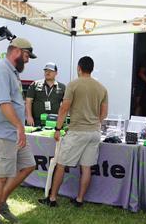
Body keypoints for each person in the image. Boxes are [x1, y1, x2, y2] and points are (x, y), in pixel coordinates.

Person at [39, 56, 108, 208]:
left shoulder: (73, 85)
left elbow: (64, 108)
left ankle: (52, 199)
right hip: (94, 132)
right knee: (86, 167)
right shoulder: (102, 88)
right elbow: (104, 113)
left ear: (79, 68)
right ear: (91, 69)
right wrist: (96, 123)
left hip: (77, 131)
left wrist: (58, 129)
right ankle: (79, 200)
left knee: (61, 165)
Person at [0, 37, 37, 224]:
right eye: (26, 55)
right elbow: (4, 104)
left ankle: (0, 202)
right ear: (16, 51)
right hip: (2, 133)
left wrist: (18, 128)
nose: (28, 60)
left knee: (29, 165)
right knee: (1, 176)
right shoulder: (1, 72)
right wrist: (19, 126)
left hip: (13, 132)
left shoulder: (12, 72)